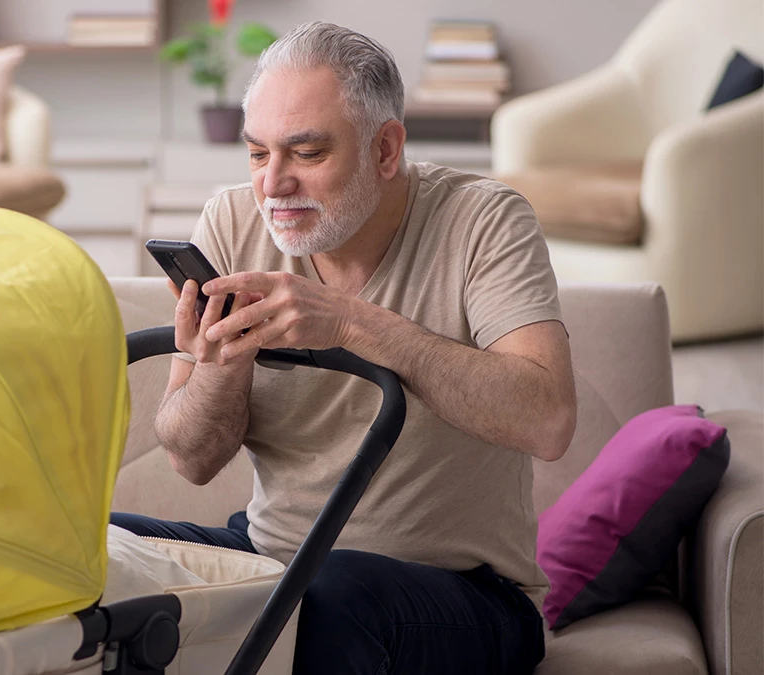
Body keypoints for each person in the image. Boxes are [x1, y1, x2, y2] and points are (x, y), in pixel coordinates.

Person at [111, 20, 578, 675]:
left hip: (462, 591)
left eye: (305, 153)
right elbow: (193, 458)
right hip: (274, 554)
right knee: (91, 547)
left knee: (323, 598)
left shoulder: (484, 220)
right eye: (257, 153)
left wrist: (355, 326)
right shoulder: (230, 220)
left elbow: (547, 417)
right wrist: (222, 364)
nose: (273, 184)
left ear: (386, 150)